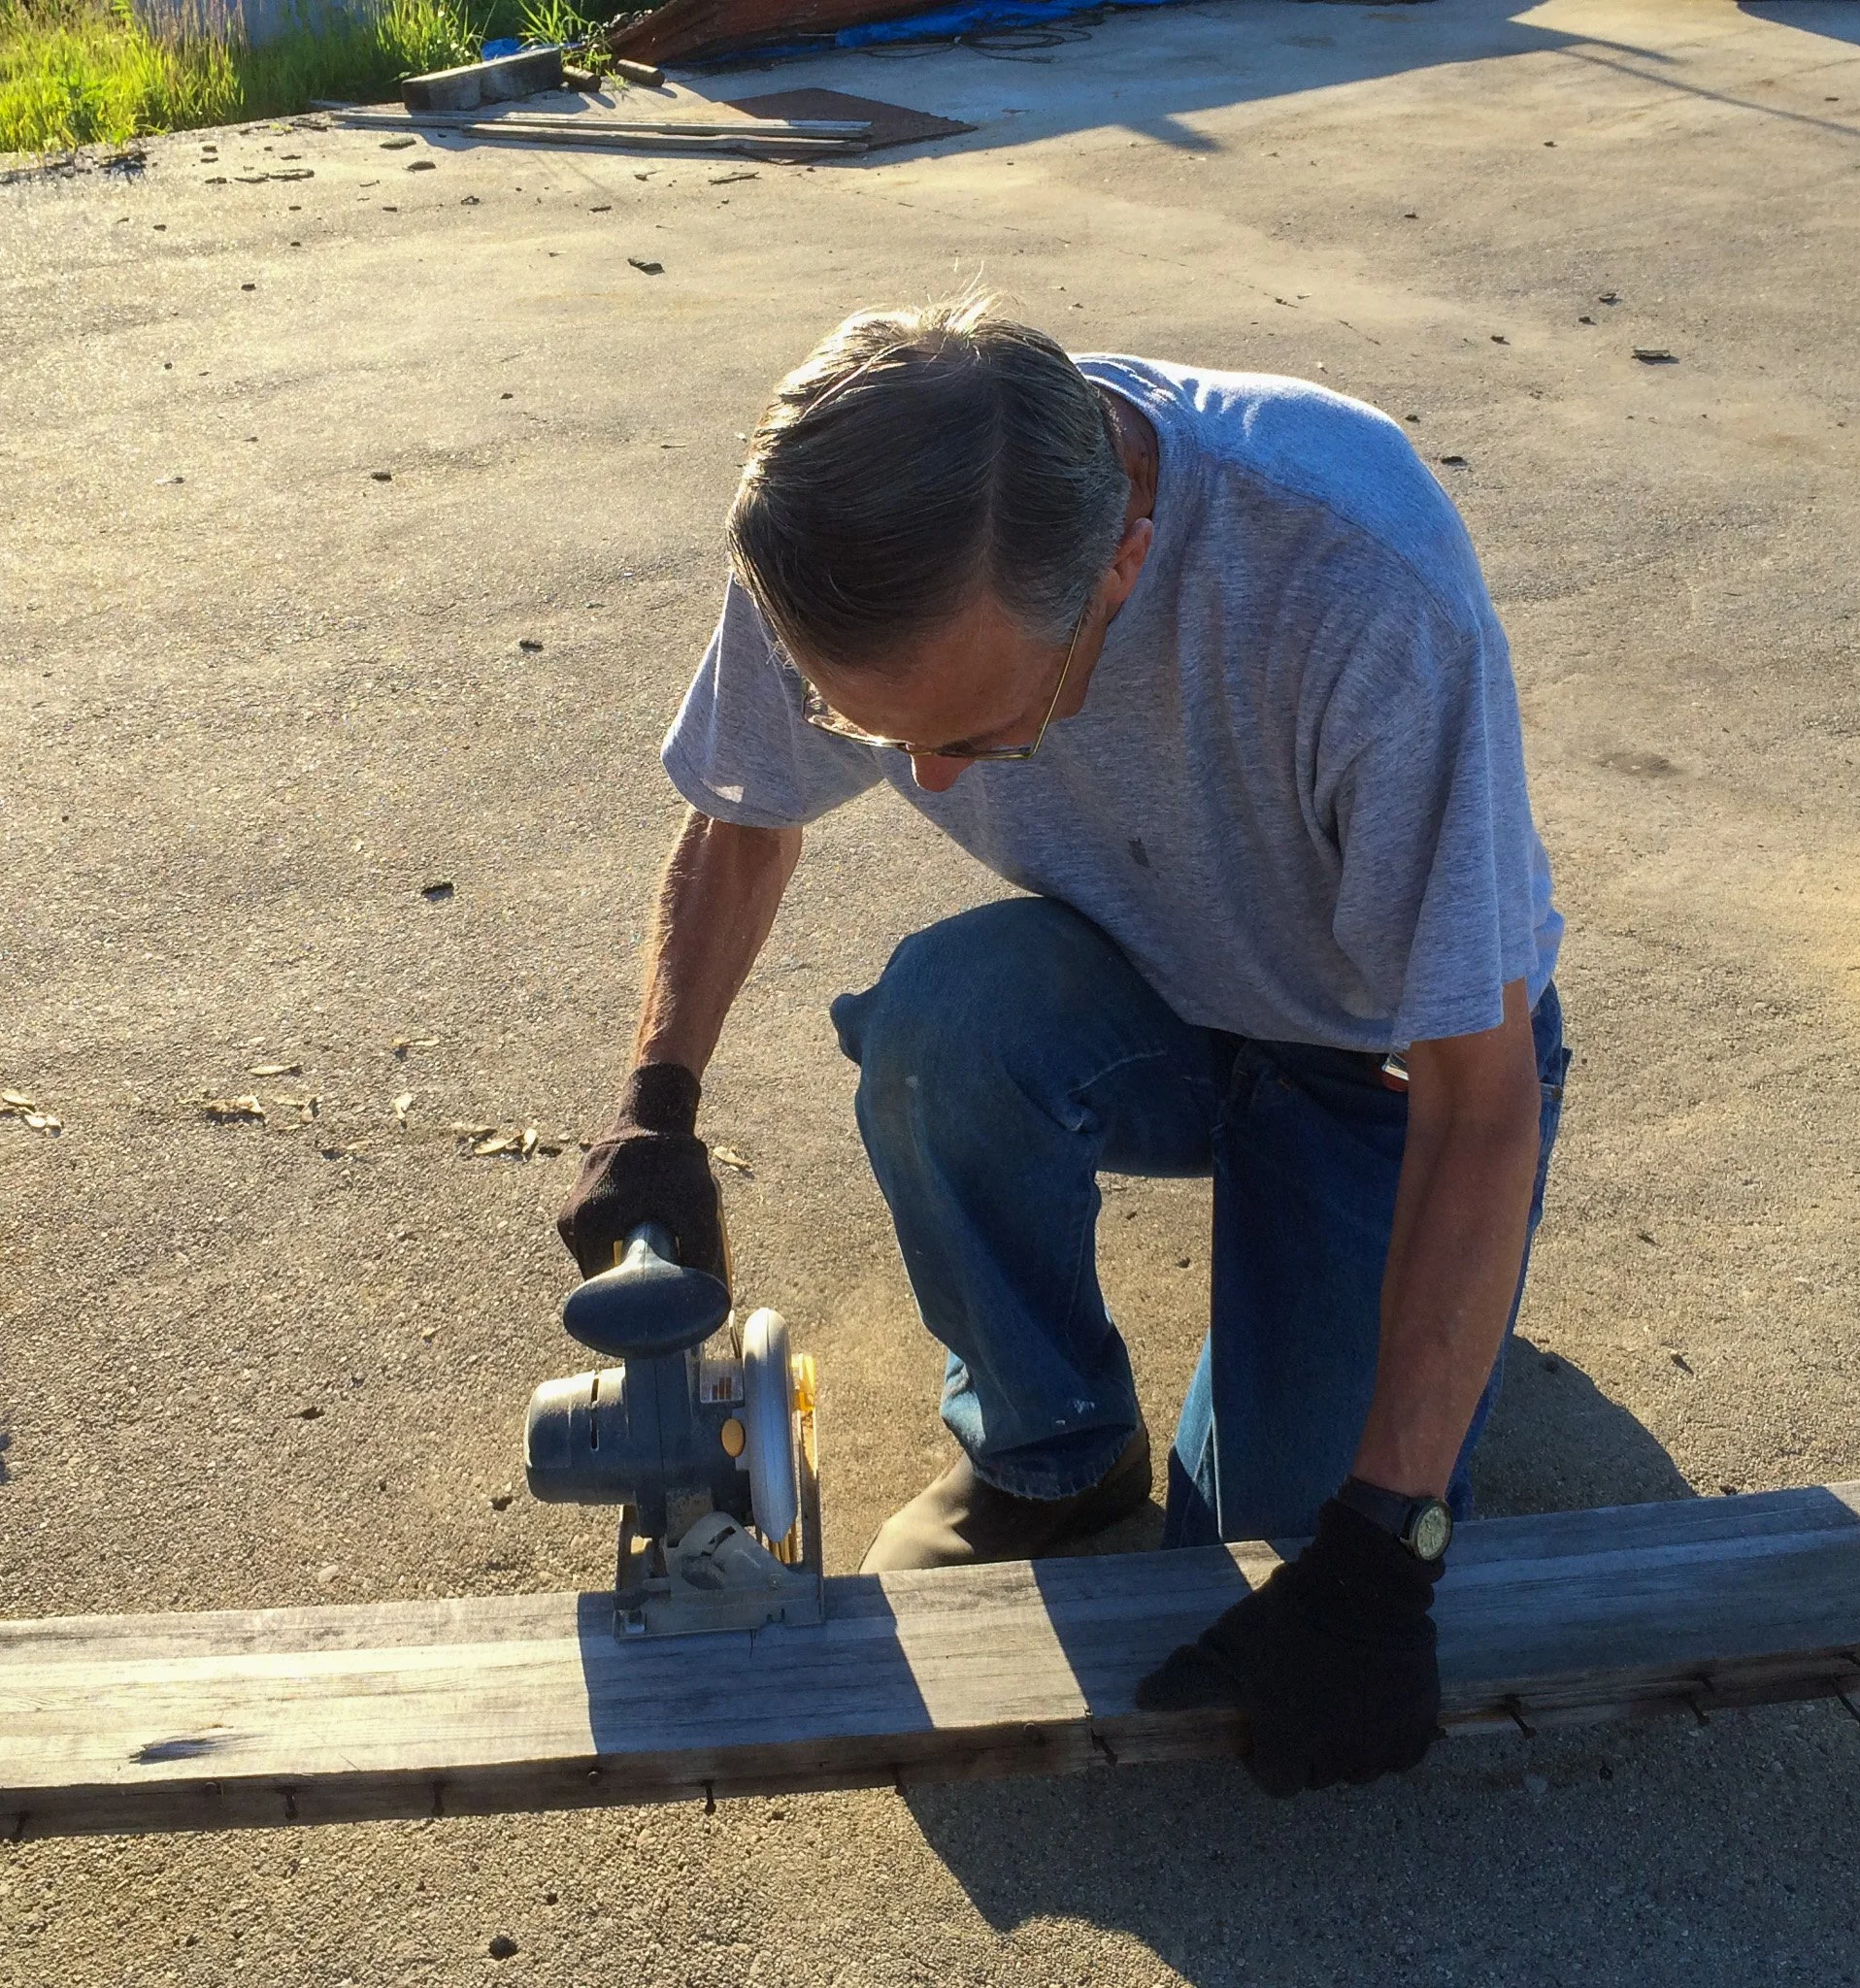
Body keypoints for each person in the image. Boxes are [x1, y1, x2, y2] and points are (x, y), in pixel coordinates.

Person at [558, 295, 1570, 1797]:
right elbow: (742, 816)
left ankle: (1402, 1314)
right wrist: (657, 1104)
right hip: (1151, 981)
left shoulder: (1356, 583)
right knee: (945, 1030)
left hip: (1386, 1058)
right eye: (878, 735)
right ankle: (1053, 1450)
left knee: (1274, 1550)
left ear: (1125, 566)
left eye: (984, 734)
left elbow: (1482, 1098)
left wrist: (1385, 1550)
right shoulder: (845, 519)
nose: (931, 781)